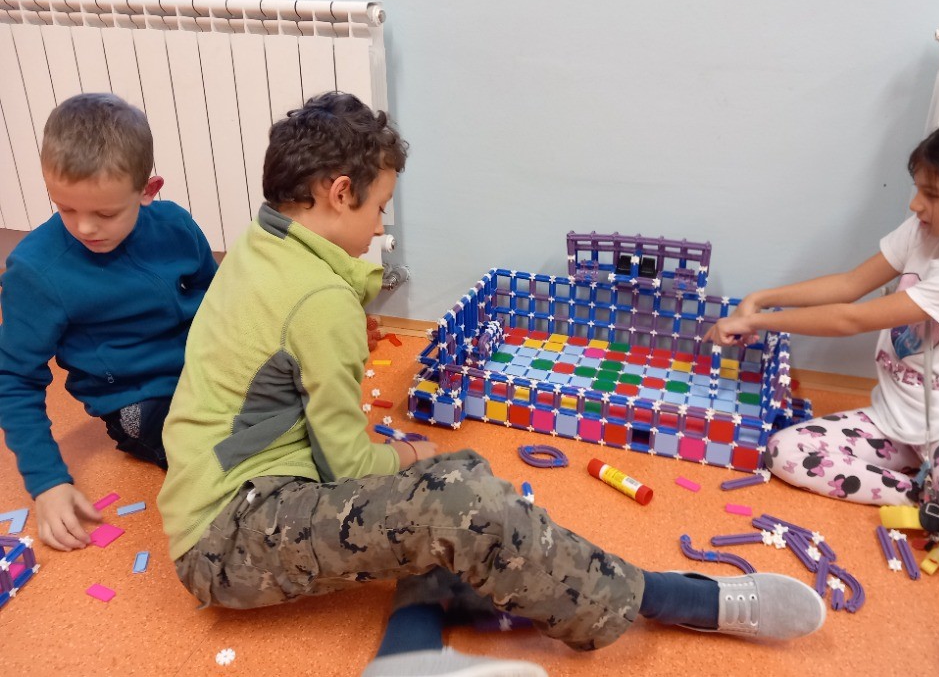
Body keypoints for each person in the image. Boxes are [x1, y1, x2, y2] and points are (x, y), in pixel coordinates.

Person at [157, 91, 826, 677]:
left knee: (452, 485)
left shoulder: (263, 244)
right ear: (339, 193)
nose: (380, 226)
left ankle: (406, 651)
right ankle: (668, 596)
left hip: (253, 492)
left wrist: (416, 465)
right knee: (456, 499)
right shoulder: (318, 300)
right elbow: (348, 467)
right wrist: (407, 454)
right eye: (379, 207)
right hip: (229, 536)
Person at [706, 106, 939, 591]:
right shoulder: (927, 230)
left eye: (932, 194)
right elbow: (849, 285)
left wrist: (756, 320)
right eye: (918, 189)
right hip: (892, 419)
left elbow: (853, 318)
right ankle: (926, 496)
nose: (915, 205)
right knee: (786, 451)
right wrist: (762, 297)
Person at [0, 92, 217, 552]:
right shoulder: (36, 271)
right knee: (219, 453)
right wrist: (47, 483)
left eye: (105, 213)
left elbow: (219, 299)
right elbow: (14, 379)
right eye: (65, 208)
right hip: (140, 400)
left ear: (148, 190)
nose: (84, 228)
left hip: (210, 367)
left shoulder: (176, 225)